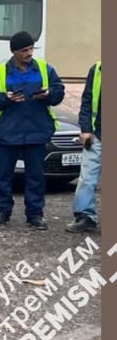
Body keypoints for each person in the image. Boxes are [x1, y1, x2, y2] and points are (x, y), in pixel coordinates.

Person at [0, 32, 65, 228]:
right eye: (24, 50)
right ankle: (2, 212)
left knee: (36, 177)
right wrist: (7, 99)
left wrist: (48, 94)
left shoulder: (45, 69)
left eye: (31, 49)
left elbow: (59, 92)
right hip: (8, 132)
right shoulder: (1, 73)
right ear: (14, 52)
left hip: (36, 132)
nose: (29, 53)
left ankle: (35, 215)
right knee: (4, 176)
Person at [67, 61, 101, 233]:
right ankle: (86, 217)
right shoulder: (97, 70)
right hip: (98, 135)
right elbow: (87, 101)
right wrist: (86, 129)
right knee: (87, 178)